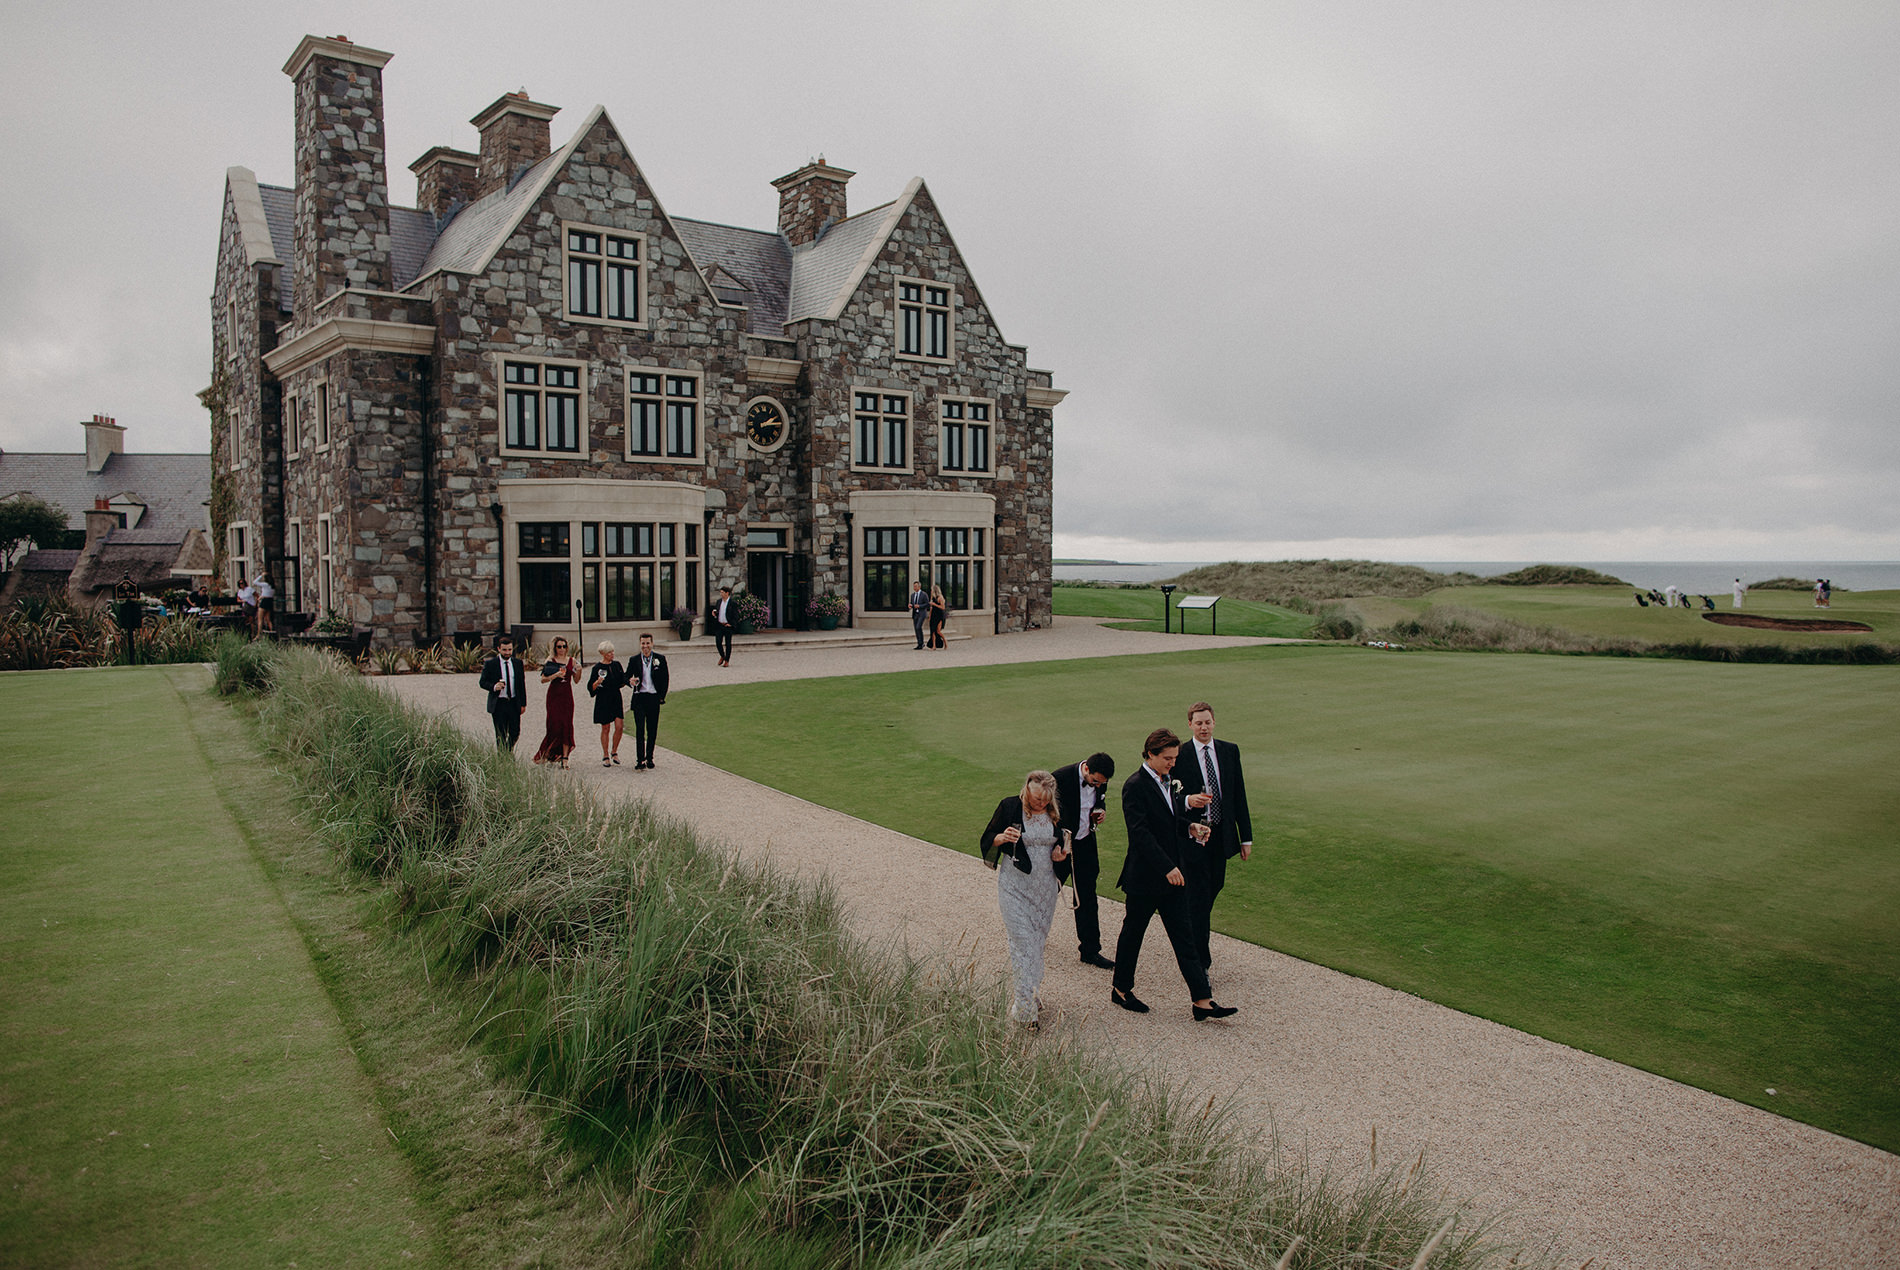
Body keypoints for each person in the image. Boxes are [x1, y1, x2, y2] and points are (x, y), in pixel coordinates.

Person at [1109, 728, 1236, 1021]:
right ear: (1150, 755)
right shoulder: (1135, 785)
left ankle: (1202, 1000)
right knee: (1133, 934)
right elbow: (1140, 833)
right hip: (1146, 877)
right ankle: (1121, 989)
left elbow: (1168, 818)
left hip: (1173, 876)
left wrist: (1188, 827)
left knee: (1185, 936)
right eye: (1167, 758)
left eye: (1175, 758)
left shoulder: (1166, 781)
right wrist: (1167, 867)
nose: (1172, 763)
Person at [979, 769, 1072, 1031]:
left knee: (1037, 942)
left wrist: (1061, 854)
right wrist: (1003, 838)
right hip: (1014, 886)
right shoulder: (1010, 806)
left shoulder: (1055, 814)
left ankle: (1032, 990)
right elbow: (988, 838)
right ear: (1027, 790)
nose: (1039, 804)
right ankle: (1025, 1009)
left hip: (1044, 890)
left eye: (1044, 800)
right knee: (1022, 943)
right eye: (1034, 799)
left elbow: (1065, 845)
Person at [1171, 702, 1254, 971]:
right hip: (1194, 836)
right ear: (1190, 725)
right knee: (1198, 896)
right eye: (1198, 723)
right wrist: (1188, 800)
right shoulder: (1180, 755)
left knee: (1213, 888)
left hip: (1221, 835)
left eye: (1207, 722)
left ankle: (1191, 930)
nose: (1203, 727)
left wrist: (1246, 838)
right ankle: (1200, 961)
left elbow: (1238, 794)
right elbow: (1170, 796)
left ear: (1214, 722)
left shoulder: (1229, 751)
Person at [1054, 752, 1117, 969]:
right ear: (1087, 769)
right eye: (1096, 781)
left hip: (1085, 843)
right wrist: (1056, 845)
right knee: (1047, 890)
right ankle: (1029, 933)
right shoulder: (1060, 778)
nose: (1099, 786)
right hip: (1060, 845)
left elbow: (1098, 801)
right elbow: (1045, 812)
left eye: (1103, 783)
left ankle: (1090, 950)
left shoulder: (1101, 782)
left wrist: (1100, 811)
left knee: (1087, 896)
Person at [531, 636, 580, 768]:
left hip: (567, 695)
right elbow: (543, 679)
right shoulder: (551, 661)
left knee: (567, 726)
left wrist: (578, 670)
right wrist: (555, 675)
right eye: (559, 647)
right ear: (555, 648)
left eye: (564, 646)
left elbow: (576, 680)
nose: (562, 649)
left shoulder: (571, 660)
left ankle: (565, 758)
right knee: (554, 725)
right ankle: (547, 753)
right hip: (554, 696)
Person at [627, 632, 670, 770]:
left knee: (652, 729)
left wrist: (661, 696)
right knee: (640, 729)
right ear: (640, 644)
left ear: (652, 644)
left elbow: (665, 678)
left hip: (653, 697)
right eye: (643, 643)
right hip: (639, 697)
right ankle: (640, 759)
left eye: (648, 643)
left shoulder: (660, 659)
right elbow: (626, 676)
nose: (645, 646)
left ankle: (650, 757)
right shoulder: (634, 660)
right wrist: (630, 681)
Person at [478, 633, 527, 751]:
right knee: (501, 734)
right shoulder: (491, 664)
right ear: (499, 649)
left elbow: (521, 684)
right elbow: (482, 682)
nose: (507, 652)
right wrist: (494, 686)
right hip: (499, 703)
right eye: (504, 650)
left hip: (513, 702)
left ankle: (507, 752)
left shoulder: (517, 664)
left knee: (515, 732)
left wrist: (523, 703)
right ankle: (503, 758)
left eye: (509, 649)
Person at [586, 640, 628, 767]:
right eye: (609, 652)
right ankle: (605, 754)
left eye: (612, 651)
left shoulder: (617, 665)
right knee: (606, 727)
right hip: (603, 698)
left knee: (619, 726)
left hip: (615, 697)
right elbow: (590, 687)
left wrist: (629, 680)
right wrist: (597, 682)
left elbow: (622, 679)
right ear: (603, 653)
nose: (612, 654)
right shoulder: (597, 668)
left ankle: (614, 751)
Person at [711, 585, 735, 667]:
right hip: (719, 625)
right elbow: (717, 611)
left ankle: (727, 660)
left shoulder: (732, 603)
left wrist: (731, 624)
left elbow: (736, 615)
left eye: (722, 592)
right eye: (720, 592)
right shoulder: (718, 602)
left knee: (728, 643)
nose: (721, 594)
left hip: (727, 626)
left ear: (727, 593)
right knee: (718, 642)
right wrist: (714, 613)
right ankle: (722, 655)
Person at [909, 579, 930, 650]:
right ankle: (919, 643)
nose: (914, 588)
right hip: (915, 614)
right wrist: (910, 605)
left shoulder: (924, 594)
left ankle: (922, 642)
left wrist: (920, 606)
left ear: (919, 587)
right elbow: (912, 604)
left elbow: (927, 604)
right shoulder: (912, 595)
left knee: (918, 627)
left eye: (916, 586)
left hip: (922, 613)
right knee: (916, 629)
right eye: (914, 586)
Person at [928, 584, 948, 649]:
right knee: (933, 631)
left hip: (939, 616)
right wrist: (930, 616)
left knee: (938, 631)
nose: (931, 591)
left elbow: (943, 607)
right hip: (933, 615)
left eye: (931, 590)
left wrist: (934, 604)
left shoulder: (940, 597)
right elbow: (931, 608)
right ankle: (934, 646)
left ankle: (945, 642)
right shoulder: (932, 598)